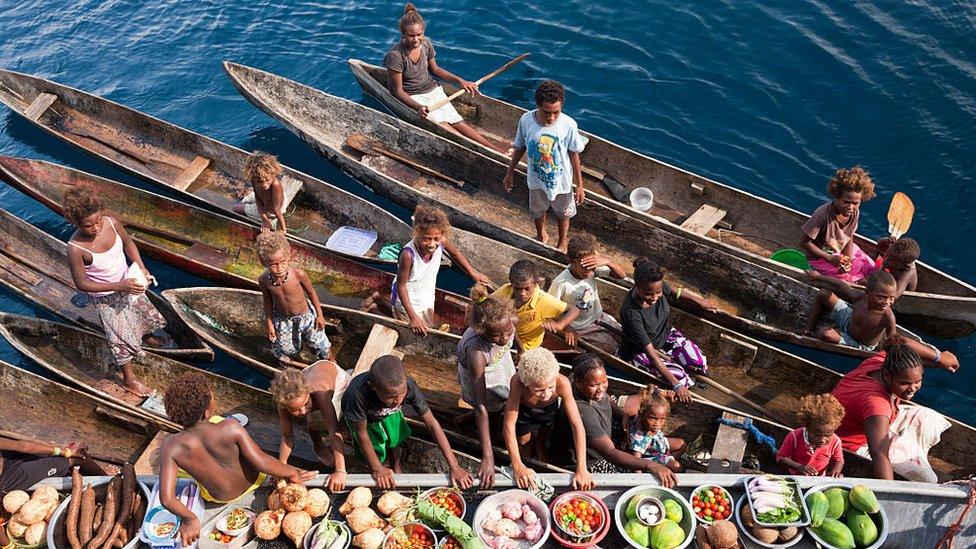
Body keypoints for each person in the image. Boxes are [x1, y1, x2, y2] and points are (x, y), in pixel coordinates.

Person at [159, 372, 317, 544]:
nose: (214, 397)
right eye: (211, 396)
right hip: (255, 480)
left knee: (183, 466)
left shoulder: (169, 446)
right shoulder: (230, 427)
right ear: (205, 413)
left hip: (221, 498)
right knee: (221, 423)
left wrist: (190, 520)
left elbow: (166, 499)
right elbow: (262, 461)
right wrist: (291, 472)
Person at [63, 185, 167, 398]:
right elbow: (81, 283)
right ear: (76, 223)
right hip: (106, 297)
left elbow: (128, 243)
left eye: (98, 220)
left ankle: (146, 336)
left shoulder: (112, 223)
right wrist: (119, 286)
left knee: (139, 312)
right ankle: (129, 380)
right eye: (88, 225)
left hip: (128, 282)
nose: (96, 228)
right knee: (118, 338)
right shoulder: (76, 248)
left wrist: (141, 266)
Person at [385, 3, 510, 155]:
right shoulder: (395, 56)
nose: (416, 39)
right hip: (413, 96)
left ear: (423, 32)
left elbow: (435, 70)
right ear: (403, 34)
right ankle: (478, 151)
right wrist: (418, 107)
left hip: (432, 89)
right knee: (445, 126)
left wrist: (461, 81)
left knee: (458, 121)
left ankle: (494, 149)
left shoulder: (426, 44)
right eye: (411, 36)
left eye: (419, 34)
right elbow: (398, 91)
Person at [832, 336, 959, 482]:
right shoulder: (876, 404)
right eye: (904, 383)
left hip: (876, 421)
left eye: (918, 381)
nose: (912, 389)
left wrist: (939, 357)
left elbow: (899, 342)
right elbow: (880, 455)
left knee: (931, 417)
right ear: (887, 376)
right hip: (854, 445)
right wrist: (890, 492)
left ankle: (914, 450)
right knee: (927, 479)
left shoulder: (885, 360)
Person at [342, 355, 473, 490]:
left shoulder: (409, 387)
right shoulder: (358, 395)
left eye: (401, 393)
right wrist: (378, 468)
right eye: (390, 397)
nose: (398, 400)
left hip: (388, 413)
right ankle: (376, 469)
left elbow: (432, 423)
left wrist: (454, 466)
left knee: (395, 440)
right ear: (373, 387)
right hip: (364, 419)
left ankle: (396, 467)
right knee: (375, 450)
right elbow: (361, 433)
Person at [550, 354, 677, 486]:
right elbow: (609, 452)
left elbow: (608, 397)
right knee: (637, 476)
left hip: (604, 439)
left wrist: (621, 414)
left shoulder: (587, 386)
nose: (601, 388)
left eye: (604, 381)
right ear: (578, 383)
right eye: (594, 385)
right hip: (591, 461)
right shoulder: (582, 410)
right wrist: (651, 465)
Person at [503, 80, 587, 252]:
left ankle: (563, 241)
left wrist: (580, 184)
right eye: (546, 112)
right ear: (537, 105)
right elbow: (520, 147)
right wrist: (509, 172)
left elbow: (573, 153)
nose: (551, 117)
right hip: (536, 181)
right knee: (537, 211)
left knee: (564, 213)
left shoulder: (568, 124)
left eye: (556, 112)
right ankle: (542, 235)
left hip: (562, 183)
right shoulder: (526, 120)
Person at [617, 257, 716, 403]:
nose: (655, 298)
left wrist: (700, 302)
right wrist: (676, 385)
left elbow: (676, 292)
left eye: (658, 292)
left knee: (699, 361)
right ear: (637, 287)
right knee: (680, 377)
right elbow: (651, 354)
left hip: (667, 336)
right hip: (643, 352)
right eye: (649, 294)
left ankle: (693, 375)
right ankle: (689, 388)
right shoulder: (631, 313)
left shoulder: (657, 285)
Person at [502, 347, 594, 491]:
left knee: (543, 435)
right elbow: (508, 425)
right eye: (538, 390)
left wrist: (581, 468)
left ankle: (539, 447)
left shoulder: (562, 383)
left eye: (550, 387)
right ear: (527, 383)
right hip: (525, 411)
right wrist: (517, 466)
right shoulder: (517, 382)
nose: (545, 394)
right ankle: (525, 459)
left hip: (548, 411)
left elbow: (577, 425)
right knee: (523, 441)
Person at [456, 284, 518, 489]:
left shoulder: (506, 324)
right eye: (496, 337)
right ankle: (480, 426)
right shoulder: (476, 350)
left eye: (507, 332)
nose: (504, 338)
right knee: (486, 408)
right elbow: (481, 403)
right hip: (482, 374)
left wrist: (522, 350)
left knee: (505, 398)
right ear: (483, 331)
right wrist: (487, 455)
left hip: (500, 363)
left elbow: (511, 334)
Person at [392, 204, 490, 335]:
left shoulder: (441, 241)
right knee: (412, 331)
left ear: (441, 235)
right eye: (427, 239)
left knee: (425, 326)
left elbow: (455, 254)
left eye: (436, 239)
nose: (432, 244)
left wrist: (473, 273)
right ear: (418, 233)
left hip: (426, 295)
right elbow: (401, 285)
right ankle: (378, 305)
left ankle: (378, 301)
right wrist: (413, 316)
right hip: (407, 300)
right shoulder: (408, 255)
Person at [269, 362, 351, 492]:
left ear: (308, 393)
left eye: (305, 403)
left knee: (332, 419)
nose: (302, 411)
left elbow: (333, 431)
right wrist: (281, 467)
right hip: (311, 374)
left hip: (335, 380)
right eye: (294, 409)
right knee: (312, 418)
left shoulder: (320, 393)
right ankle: (319, 446)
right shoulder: (284, 403)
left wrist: (340, 471)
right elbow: (287, 435)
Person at [256, 231, 331, 367]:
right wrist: (270, 324)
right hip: (284, 321)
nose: (279, 268)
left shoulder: (298, 274)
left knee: (320, 345)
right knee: (285, 350)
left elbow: (311, 292)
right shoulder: (264, 280)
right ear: (264, 262)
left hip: (307, 317)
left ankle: (332, 362)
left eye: (282, 262)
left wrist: (320, 315)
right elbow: (267, 302)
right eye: (274, 264)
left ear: (288, 257)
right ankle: (294, 366)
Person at [548, 234, 625, 353]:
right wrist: (567, 328)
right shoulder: (561, 283)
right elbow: (550, 311)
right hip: (581, 327)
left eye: (591, 266)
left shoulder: (592, 269)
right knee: (611, 348)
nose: (588, 271)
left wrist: (607, 262)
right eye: (584, 267)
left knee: (625, 337)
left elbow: (621, 275)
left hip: (599, 317)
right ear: (572, 262)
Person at [801, 166, 876, 282]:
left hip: (839, 251)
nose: (851, 207)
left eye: (855, 203)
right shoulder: (822, 215)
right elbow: (805, 243)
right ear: (837, 197)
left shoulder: (854, 212)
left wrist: (848, 259)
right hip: (821, 258)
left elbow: (849, 236)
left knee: (870, 266)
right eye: (846, 202)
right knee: (846, 278)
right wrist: (830, 258)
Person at [492, 260, 579, 351]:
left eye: (527, 289)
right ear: (511, 283)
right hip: (504, 339)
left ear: (535, 283)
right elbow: (488, 303)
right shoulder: (505, 290)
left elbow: (574, 309)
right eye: (518, 289)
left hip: (527, 347)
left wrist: (561, 325)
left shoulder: (543, 300)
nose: (522, 293)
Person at [804, 269, 897, 351]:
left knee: (825, 333)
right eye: (881, 297)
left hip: (859, 344)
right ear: (868, 292)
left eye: (891, 298)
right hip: (848, 321)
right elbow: (840, 284)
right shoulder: (859, 297)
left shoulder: (887, 316)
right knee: (823, 294)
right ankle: (808, 331)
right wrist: (818, 277)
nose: (887, 302)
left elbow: (893, 339)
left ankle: (815, 338)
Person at [0, 438, 111, 497]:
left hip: (6, 456)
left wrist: (65, 452)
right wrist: (67, 454)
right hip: (11, 477)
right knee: (78, 457)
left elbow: (21, 446)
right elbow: (22, 446)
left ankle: (94, 473)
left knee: (54, 454)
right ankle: (107, 481)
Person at [776, 394, 845, 477]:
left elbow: (839, 460)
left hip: (819, 478)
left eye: (828, 435)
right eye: (816, 435)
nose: (822, 440)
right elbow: (781, 457)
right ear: (807, 427)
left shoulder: (835, 441)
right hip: (795, 476)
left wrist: (835, 471)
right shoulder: (794, 436)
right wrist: (799, 467)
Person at [626, 386, 685, 473]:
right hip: (649, 456)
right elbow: (636, 462)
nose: (657, 424)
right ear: (642, 414)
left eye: (662, 419)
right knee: (676, 467)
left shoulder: (648, 414)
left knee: (682, 444)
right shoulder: (639, 436)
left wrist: (669, 401)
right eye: (653, 418)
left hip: (657, 444)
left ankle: (666, 463)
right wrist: (639, 479)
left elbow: (657, 396)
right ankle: (664, 466)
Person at [233, 152, 287, 232]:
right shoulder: (254, 179)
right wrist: (264, 219)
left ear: (272, 174)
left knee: (236, 208)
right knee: (243, 201)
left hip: (273, 210)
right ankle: (248, 201)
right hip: (263, 201)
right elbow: (257, 197)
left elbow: (277, 210)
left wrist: (283, 229)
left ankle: (266, 218)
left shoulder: (276, 185)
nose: (264, 184)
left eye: (267, 180)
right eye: (260, 181)